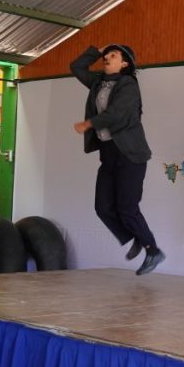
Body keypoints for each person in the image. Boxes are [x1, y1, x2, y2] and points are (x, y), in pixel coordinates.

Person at [71, 44, 165, 275]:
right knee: (102, 206)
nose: (107, 58)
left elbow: (116, 114)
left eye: (113, 55)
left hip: (130, 154)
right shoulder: (97, 81)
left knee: (127, 206)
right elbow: (76, 67)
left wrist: (89, 123)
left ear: (124, 63)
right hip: (109, 154)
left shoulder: (128, 85)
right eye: (107, 55)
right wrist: (96, 50)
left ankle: (152, 250)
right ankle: (133, 237)